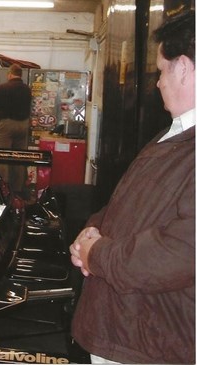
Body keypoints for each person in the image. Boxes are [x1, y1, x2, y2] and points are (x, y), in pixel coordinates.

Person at [69, 10, 195, 364]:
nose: (158, 83)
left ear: (183, 67)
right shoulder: (174, 137)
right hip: (127, 327)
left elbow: (182, 252)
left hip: (153, 340)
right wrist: (90, 232)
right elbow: (127, 204)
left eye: (162, 70)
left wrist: (98, 254)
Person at [0, 63, 32, 194]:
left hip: (7, 124)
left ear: (9, 74)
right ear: (20, 75)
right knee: (19, 157)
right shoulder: (27, 89)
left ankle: (3, 189)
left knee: (1, 156)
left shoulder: (3, 88)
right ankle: (17, 190)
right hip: (23, 125)